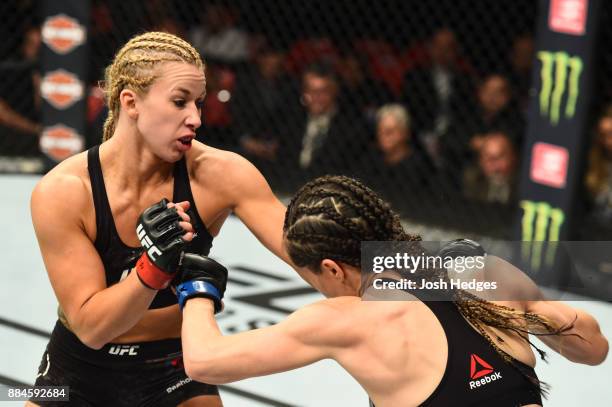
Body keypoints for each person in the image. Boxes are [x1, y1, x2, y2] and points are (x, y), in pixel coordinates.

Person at [28, 32, 297, 406]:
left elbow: (311, 252)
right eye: (179, 101)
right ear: (130, 102)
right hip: (75, 372)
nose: (196, 119)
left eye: (198, 103)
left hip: (175, 367)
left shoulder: (220, 174)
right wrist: (152, 269)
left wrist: (407, 273)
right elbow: (91, 327)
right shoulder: (64, 191)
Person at [178, 175, 608, 407]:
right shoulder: (482, 271)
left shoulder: (345, 321)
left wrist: (194, 283)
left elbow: (203, 362)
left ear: (332, 268)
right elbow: (594, 349)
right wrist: (529, 313)